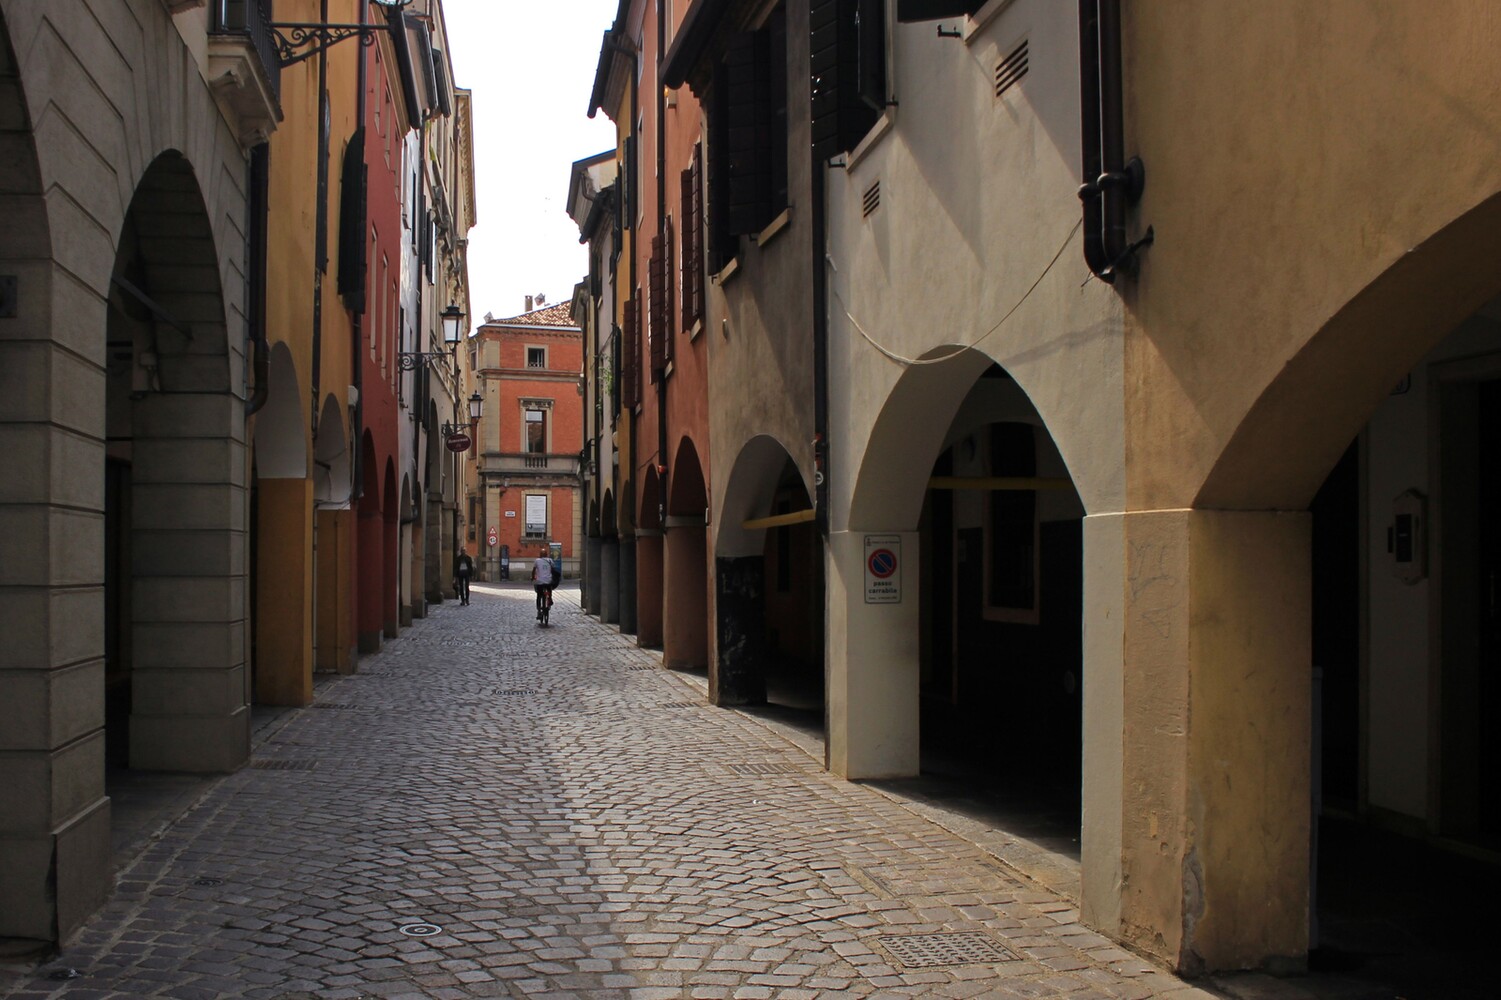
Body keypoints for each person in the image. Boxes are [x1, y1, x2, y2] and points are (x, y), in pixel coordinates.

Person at [531, 550, 554, 621]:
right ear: (547, 554)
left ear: (540, 555)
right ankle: (549, 599)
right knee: (549, 589)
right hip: (548, 580)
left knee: (539, 595)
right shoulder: (550, 560)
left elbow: (534, 570)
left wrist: (532, 577)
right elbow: (553, 569)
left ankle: (539, 610)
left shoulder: (537, 561)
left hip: (540, 581)